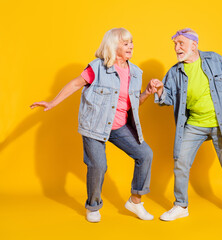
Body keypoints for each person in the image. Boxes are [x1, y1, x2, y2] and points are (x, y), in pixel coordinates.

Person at [30, 28, 157, 223]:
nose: (130, 46)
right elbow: (74, 84)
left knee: (145, 154)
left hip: (119, 126)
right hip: (95, 125)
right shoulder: (97, 67)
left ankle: (135, 202)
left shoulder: (135, 72)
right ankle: (93, 206)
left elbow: (133, 104)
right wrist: (52, 102)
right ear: (113, 46)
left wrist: (147, 93)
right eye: (125, 43)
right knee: (98, 165)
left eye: (131, 42)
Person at [151, 28, 222, 221]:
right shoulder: (175, 72)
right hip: (193, 125)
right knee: (181, 163)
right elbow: (166, 99)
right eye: (175, 44)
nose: (177, 48)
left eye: (181, 43)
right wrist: (159, 90)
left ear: (194, 45)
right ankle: (181, 206)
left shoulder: (213, 59)